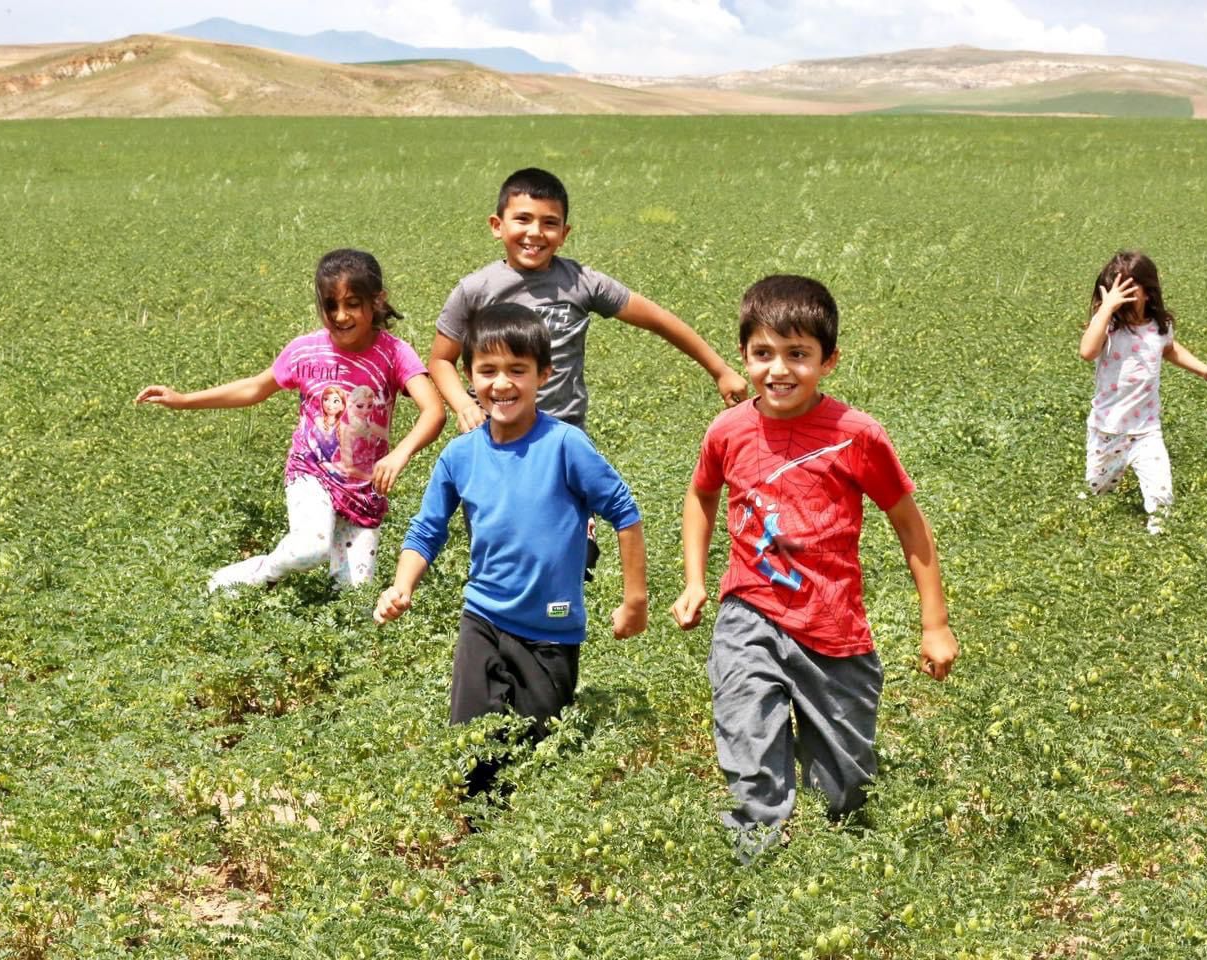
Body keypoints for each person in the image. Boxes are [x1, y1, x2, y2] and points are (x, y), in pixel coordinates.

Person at [670, 275, 958, 864]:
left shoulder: (856, 435)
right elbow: (700, 496)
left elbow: (909, 523)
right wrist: (696, 579)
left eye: (798, 354)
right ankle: (757, 870)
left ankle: (838, 872)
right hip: (748, 611)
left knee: (845, 786)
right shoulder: (727, 431)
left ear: (829, 360)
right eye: (763, 353)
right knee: (749, 746)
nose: (779, 369)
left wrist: (935, 622)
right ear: (744, 355)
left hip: (833, 627)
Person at [375, 303, 648, 796]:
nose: (502, 384)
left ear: (545, 374)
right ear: (469, 377)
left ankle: (524, 852)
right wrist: (401, 585)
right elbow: (425, 530)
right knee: (473, 751)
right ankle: (479, 853)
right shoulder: (459, 456)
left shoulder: (566, 445)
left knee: (538, 758)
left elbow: (623, 511)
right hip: (483, 618)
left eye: (517, 370)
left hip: (551, 631)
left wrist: (635, 599)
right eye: (488, 370)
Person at [136, 249, 444, 592]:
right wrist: (184, 400)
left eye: (353, 303)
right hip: (311, 473)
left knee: (354, 595)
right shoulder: (305, 351)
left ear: (377, 301)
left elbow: (433, 411)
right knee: (309, 547)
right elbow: (255, 387)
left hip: (363, 490)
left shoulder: (394, 353)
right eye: (330, 305)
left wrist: (399, 453)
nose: (341, 316)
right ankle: (251, 576)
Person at [428, 167, 748, 432]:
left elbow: (659, 320)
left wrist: (719, 370)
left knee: (571, 509)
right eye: (523, 219)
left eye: (549, 223)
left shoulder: (582, 282)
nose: (536, 232)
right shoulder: (475, 289)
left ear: (564, 234)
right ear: (497, 226)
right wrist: (464, 404)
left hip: (562, 435)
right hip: (490, 433)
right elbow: (441, 360)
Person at [1078, 250, 1207, 535]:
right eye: (1114, 292)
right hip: (1108, 430)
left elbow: (1169, 349)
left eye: (1130, 290)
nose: (1123, 299)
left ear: (1149, 292)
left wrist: (1202, 368)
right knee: (1097, 493)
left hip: (1146, 429)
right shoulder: (1109, 327)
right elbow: (1087, 352)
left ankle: (1159, 536)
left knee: (1161, 494)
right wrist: (1106, 309)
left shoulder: (1159, 327)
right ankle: (1087, 516)